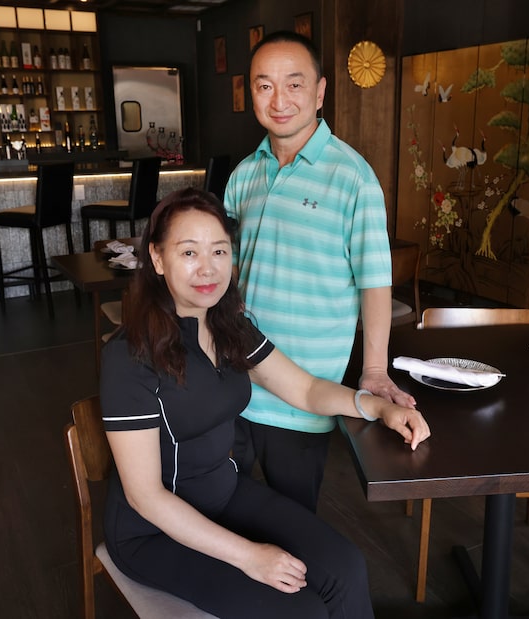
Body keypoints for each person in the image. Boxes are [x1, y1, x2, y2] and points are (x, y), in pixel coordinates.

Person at [100, 188, 430, 619]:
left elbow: (306, 389)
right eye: (188, 253)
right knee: (302, 610)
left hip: (226, 493)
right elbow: (145, 496)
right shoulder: (130, 356)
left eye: (219, 251)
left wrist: (378, 406)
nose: (208, 268)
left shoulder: (229, 326)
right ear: (158, 259)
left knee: (347, 567)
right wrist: (249, 555)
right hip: (153, 533)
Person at [223, 30, 415, 513]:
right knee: (224, 514)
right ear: (252, 94)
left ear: (320, 92)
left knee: (291, 528)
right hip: (233, 388)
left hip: (303, 399)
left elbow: (375, 282)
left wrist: (373, 370)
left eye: (294, 84)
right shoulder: (243, 175)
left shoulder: (351, 176)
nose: (279, 100)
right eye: (265, 86)